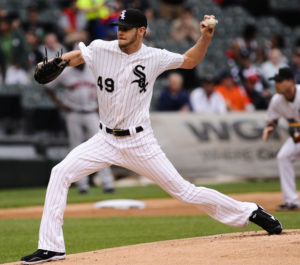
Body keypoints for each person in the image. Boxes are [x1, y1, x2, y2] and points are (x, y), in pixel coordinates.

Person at [21, 9, 282, 264]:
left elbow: (190, 60)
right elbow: (80, 55)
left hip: (139, 142)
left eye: (125, 29)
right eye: (118, 28)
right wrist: (61, 61)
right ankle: (51, 248)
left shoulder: (154, 57)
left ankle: (250, 211)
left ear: (141, 31)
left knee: (185, 192)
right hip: (105, 140)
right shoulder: (102, 48)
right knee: (60, 173)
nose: (120, 32)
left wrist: (206, 37)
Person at [44, 49, 115, 194]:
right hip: (73, 113)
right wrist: (61, 104)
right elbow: (48, 87)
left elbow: (108, 88)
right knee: (75, 149)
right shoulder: (65, 73)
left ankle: (107, 183)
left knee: (102, 147)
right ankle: (82, 185)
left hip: (92, 112)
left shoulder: (93, 69)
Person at [262, 67, 300, 211]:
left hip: (297, 133)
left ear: (290, 81)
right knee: (283, 156)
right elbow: (272, 119)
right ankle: (292, 202)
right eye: (275, 81)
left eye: (280, 81)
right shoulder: (277, 100)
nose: (276, 84)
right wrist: (270, 127)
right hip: (297, 137)